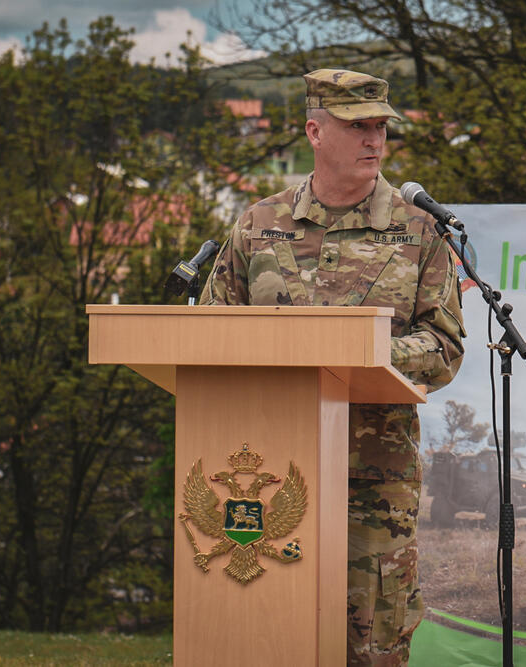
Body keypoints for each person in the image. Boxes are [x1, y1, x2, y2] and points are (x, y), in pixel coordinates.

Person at [200, 68, 466, 665]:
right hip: (266, 468)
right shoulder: (258, 225)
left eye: (381, 127)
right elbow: (214, 332)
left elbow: (444, 347)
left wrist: (360, 351)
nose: (374, 139)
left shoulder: (419, 230)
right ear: (315, 132)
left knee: (371, 647)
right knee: (265, 637)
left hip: (372, 482)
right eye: (357, 126)